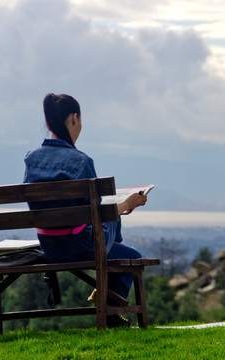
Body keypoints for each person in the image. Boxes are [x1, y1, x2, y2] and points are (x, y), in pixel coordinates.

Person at [23, 93, 148, 327]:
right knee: (115, 221)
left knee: (123, 245)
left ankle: (105, 288)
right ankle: (108, 298)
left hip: (49, 246)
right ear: (73, 119)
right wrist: (126, 205)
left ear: (48, 124)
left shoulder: (31, 160)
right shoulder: (81, 162)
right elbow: (99, 212)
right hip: (81, 247)